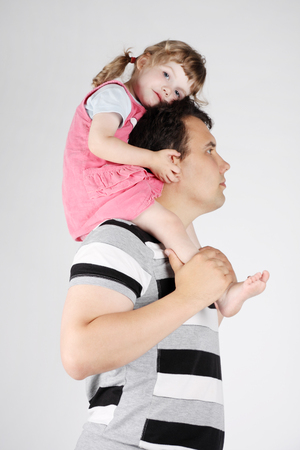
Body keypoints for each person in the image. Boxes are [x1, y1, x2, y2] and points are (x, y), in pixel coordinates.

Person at [61, 98, 268, 450]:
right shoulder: (120, 237)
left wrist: (204, 299)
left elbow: (168, 341)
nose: (225, 163)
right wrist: (190, 297)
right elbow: (78, 353)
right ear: (171, 161)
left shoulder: (186, 254)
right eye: (210, 150)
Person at [62, 39, 208, 264]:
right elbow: (99, 143)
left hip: (116, 185)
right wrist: (152, 159)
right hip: (97, 190)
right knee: (169, 222)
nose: (169, 90)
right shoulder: (115, 95)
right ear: (143, 62)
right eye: (166, 75)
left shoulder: (141, 107)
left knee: (179, 214)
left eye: (178, 92)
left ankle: (217, 291)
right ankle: (206, 282)